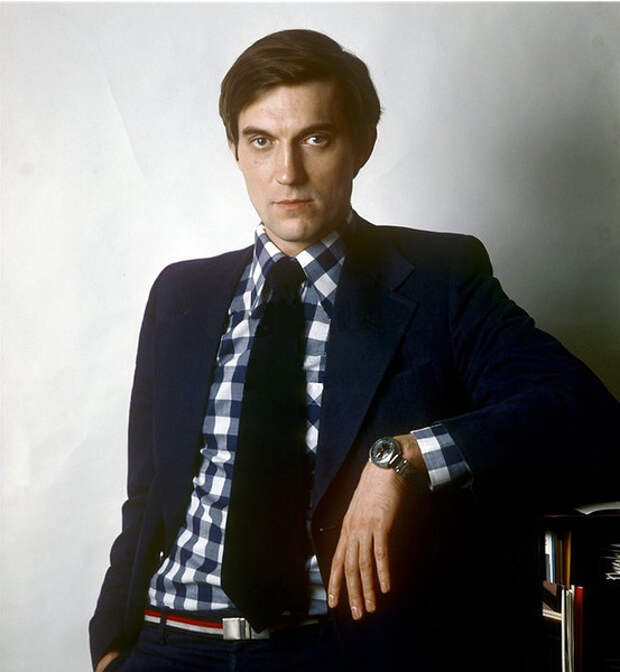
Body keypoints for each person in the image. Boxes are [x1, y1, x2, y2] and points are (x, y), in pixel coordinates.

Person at [90, 29, 619, 672]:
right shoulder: (181, 294)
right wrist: (112, 646)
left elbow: (584, 414)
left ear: (362, 145)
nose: (287, 172)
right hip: (168, 641)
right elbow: (146, 496)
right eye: (261, 141)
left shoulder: (437, 280)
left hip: (335, 650)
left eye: (316, 138)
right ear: (235, 149)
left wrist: (405, 456)